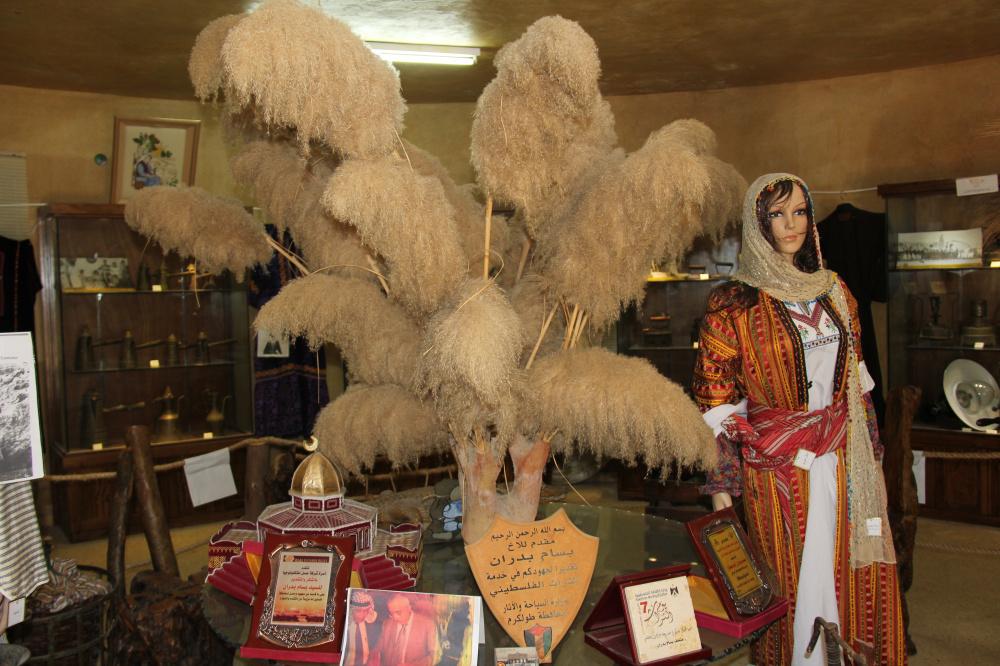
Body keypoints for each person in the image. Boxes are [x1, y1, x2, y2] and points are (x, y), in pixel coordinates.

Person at [692, 173, 905, 665]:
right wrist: (722, 487)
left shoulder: (835, 290)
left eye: (800, 211)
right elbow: (714, 404)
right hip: (776, 469)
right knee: (788, 581)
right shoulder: (733, 304)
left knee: (848, 574)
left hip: (843, 458)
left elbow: (857, 386)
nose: (791, 224)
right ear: (757, 223)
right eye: (777, 214)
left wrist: (874, 459)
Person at [369, 593, 439, 666]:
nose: (395, 618)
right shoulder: (387, 624)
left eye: (398, 612)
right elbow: (379, 647)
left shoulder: (428, 625)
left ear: (409, 608)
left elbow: (436, 655)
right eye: (391, 613)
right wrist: (373, 656)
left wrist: (414, 665)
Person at [343, 591, 379, 666]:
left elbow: (375, 646)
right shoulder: (344, 626)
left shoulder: (371, 625)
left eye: (365, 611)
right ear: (351, 610)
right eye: (358, 611)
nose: (362, 615)